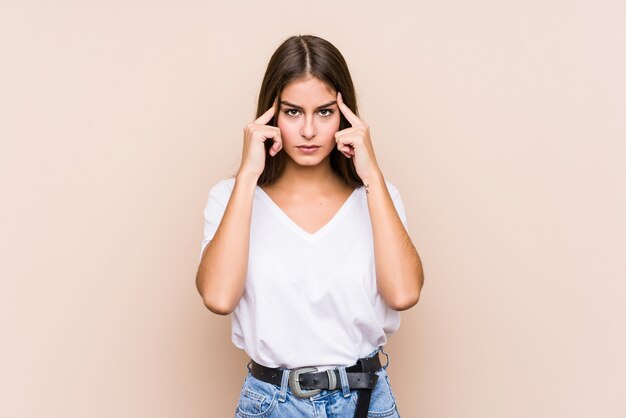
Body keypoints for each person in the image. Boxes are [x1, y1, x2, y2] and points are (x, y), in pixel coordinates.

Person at [196, 34, 424, 418]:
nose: (307, 131)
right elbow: (218, 297)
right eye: (292, 112)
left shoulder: (378, 198)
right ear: (269, 115)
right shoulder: (230, 198)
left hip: (365, 401)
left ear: (346, 114)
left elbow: (403, 293)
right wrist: (249, 174)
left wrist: (371, 174)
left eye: (323, 111)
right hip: (272, 403)